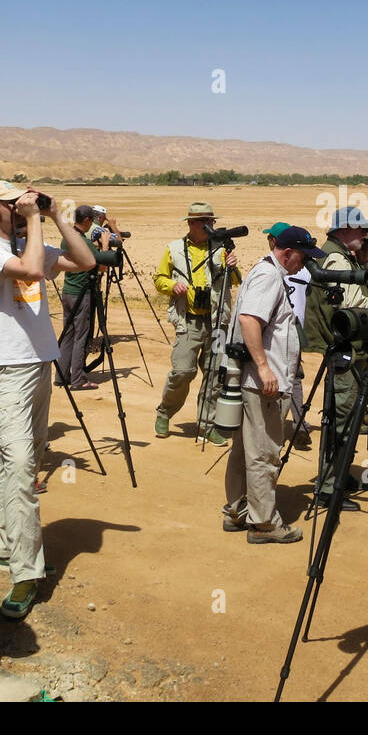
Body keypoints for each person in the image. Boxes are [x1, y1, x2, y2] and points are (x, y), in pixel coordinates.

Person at [0, 180, 96, 621]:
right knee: (19, 464)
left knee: (24, 463)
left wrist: (55, 214)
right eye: (10, 202)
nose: (19, 206)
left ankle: (8, 549)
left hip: (39, 362)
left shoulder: (29, 239)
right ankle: (26, 571)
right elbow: (33, 271)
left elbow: (85, 260)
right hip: (4, 368)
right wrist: (35, 220)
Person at [222, 226, 327, 543]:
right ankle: (264, 524)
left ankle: (238, 510)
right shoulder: (269, 276)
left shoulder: (264, 270)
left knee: (245, 450)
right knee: (265, 454)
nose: (306, 264)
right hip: (265, 383)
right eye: (304, 257)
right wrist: (265, 367)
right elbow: (249, 319)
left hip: (258, 381)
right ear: (288, 253)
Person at [302, 206, 368, 510]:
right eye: (360, 231)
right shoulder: (334, 258)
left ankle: (340, 475)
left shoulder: (341, 255)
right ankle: (329, 488)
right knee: (341, 418)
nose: (363, 236)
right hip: (344, 348)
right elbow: (353, 302)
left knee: (346, 416)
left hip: (350, 347)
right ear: (344, 230)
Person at [153, 201, 241, 445]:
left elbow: (234, 281)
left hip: (216, 322)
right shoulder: (174, 249)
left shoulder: (221, 248)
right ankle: (165, 412)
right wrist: (173, 286)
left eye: (211, 221)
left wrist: (232, 267)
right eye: (204, 222)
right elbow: (159, 279)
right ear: (191, 223)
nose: (209, 225)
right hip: (188, 322)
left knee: (214, 375)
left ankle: (207, 425)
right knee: (183, 371)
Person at [56, 204, 122, 391]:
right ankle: (78, 379)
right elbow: (101, 266)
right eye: (92, 220)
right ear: (86, 220)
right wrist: (106, 245)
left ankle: (61, 376)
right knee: (81, 337)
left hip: (68, 291)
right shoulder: (82, 242)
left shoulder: (68, 239)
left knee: (68, 334)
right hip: (82, 293)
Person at [262, 221, 312, 449]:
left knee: (291, 377)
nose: (269, 241)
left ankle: (289, 426)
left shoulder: (289, 268)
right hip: (286, 330)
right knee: (291, 379)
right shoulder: (278, 270)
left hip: (286, 330)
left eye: (271, 238)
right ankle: (295, 425)